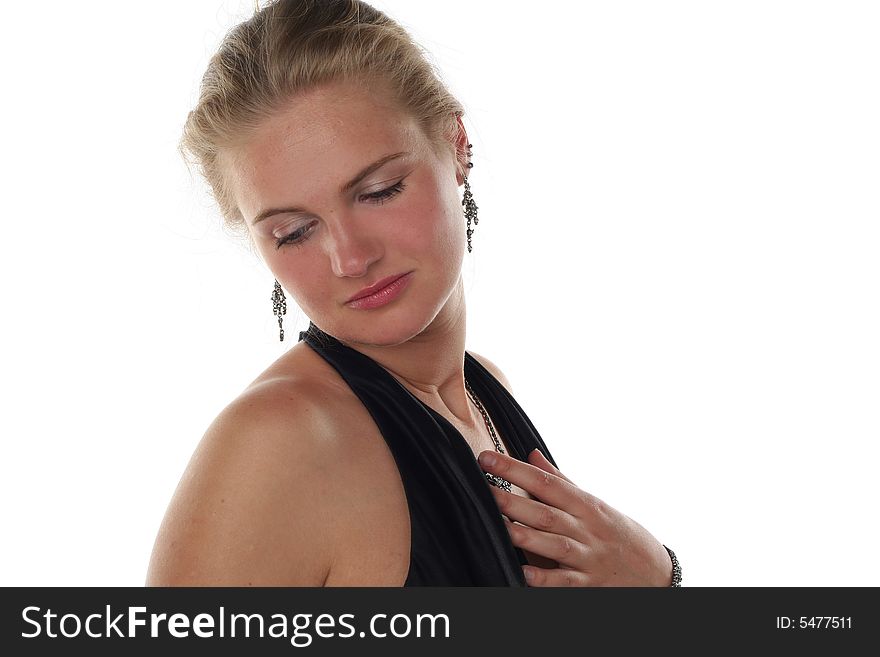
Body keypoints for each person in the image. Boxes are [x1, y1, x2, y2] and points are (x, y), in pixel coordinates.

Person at [146, 0, 681, 587]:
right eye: (293, 232)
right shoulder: (280, 441)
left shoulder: (484, 391)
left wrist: (656, 578)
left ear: (456, 143)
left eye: (378, 190)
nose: (350, 258)